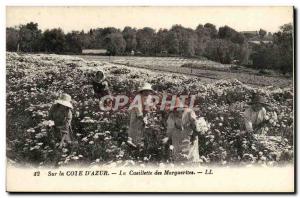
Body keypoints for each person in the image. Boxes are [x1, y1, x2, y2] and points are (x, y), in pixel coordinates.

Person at [162, 96, 201, 163]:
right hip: (178, 135)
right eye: (175, 109)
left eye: (179, 109)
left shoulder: (189, 112)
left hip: (189, 134)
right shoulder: (172, 115)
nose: (177, 111)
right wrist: (167, 137)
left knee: (191, 155)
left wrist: (194, 135)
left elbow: (195, 125)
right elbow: (170, 129)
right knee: (179, 156)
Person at [127, 83, 159, 158]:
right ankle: (132, 143)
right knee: (134, 126)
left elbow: (151, 106)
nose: (147, 92)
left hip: (143, 113)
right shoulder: (138, 97)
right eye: (145, 91)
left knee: (142, 128)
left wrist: (153, 109)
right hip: (134, 113)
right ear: (142, 91)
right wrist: (142, 118)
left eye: (148, 91)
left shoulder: (149, 97)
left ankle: (138, 145)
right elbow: (138, 109)